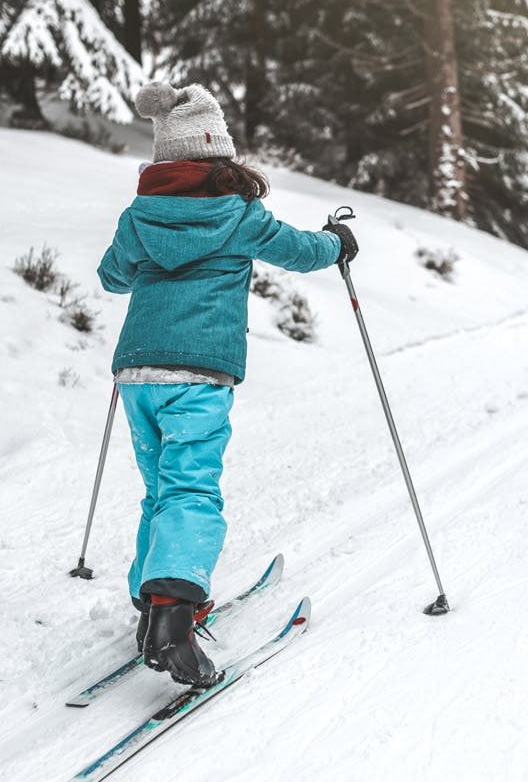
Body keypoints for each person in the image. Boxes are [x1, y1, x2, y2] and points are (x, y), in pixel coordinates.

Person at [96, 81, 358, 687]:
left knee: (162, 489)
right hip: (198, 376)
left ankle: (153, 604)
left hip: (136, 374)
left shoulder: (139, 217)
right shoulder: (240, 216)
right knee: (192, 489)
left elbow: (112, 277)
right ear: (220, 154)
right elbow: (302, 251)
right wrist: (338, 242)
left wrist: (141, 256)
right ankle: (173, 620)